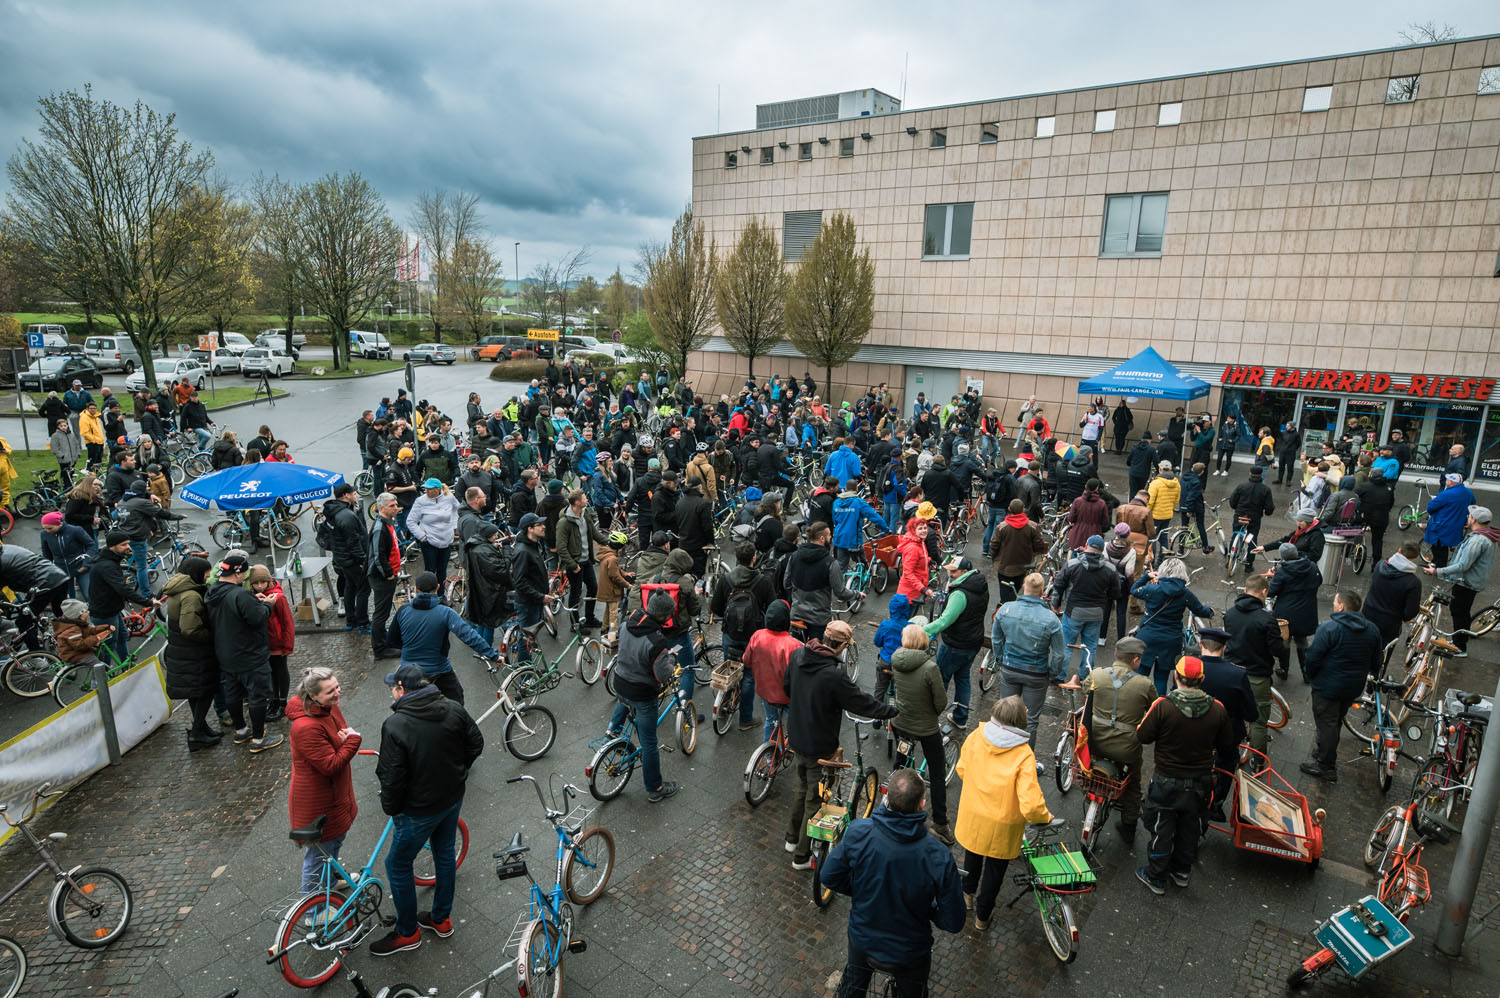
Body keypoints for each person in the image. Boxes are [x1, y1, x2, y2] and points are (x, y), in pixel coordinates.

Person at [369, 665, 483, 957]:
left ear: (401, 689)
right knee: (444, 853)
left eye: (392, 688)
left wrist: (393, 810)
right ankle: (441, 918)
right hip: (452, 798)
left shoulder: (396, 725)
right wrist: (458, 772)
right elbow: (476, 743)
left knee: (397, 864)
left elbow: (391, 777)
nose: (391, 693)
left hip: (418, 810)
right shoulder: (453, 708)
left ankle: (407, 933)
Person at [822, 767, 964, 997]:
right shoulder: (938, 856)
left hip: (863, 939)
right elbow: (953, 921)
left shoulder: (859, 832)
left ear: (886, 798)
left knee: (852, 985)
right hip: (910, 951)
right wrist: (929, 910)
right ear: (921, 805)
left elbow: (828, 876)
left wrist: (861, 889)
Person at [784, 620, 898, 868]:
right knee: (814, 798)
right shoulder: (833, 674)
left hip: (796, 735)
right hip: (818, 744)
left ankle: (791, 839)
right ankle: (801, 856)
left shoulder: (797, 655)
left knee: (801, 788)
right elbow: (860, 702)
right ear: (843, 645)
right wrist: (890, 712)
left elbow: (787, 687)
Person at [1134, 655, 1235, 894]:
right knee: (1190, 827)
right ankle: (1181, 872)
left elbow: (1142, 735)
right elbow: (1227, 745)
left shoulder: (1163, 706)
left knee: (1162, 826)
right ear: (1201, 679)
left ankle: (1156, 876)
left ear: (1176, 676)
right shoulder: (1217, 709)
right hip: (1199, 782)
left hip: (1166, 780)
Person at [952, 695, 1054, 931]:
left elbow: (961, 770)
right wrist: (1044, 817)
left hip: (974, 816)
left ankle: (967, 896)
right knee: (995, 872)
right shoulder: (1023, 753)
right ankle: (982, 917)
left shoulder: (976, 736)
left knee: (972, 856)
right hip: (1003, 824)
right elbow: (1030, 803)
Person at [605, 590, 684, 802]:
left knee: (624, 699)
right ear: (665, 616)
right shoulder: (657, 641)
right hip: (642, 693)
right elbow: (662, 674)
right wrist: (671, 659)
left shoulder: (627, 622)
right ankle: (655, 787)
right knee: (649, 742)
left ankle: (612, 730)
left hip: (620, 682)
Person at [288, 667, 362, 891]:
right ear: (313, 696)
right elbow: (330, 765)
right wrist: (352, 740)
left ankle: (330, 881)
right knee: (318, 855)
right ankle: (313, 911)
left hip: (333, 795)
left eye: (337, 687)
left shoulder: (327, 708)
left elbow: (339, 735)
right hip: (319, 803)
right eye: (330, 691)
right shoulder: (305, 727)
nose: (337, 693)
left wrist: (343, 740)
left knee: (333, 844)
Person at [1299, 591, 1385, 783]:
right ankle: (1323, 750)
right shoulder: (1372, 630)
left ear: (1342, 607)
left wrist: (1311, 675)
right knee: (1335, 719)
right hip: (1353, 687)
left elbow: (1313, 657)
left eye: (1335, 602)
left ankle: (1326, 766)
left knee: (1327, 722)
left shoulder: (1329, 628)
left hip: (1328, 686)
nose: (1334, 605)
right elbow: (1376, 662)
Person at [205, 552, 284, 753]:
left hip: (226, 653)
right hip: (249, 654)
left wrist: (252, 601)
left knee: (233, 693)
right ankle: (258, 739)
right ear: (238, 573)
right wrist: (267, 604)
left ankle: (241, 730)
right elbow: (257, 618)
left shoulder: (213, 592)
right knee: (258, 695)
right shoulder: (240, 594)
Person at [386, 571, 501, 705]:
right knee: (456, 702)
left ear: (415, 589)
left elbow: (391, 640)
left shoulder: (403, 611)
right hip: (438, 670)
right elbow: (469, 636)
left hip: (408, 670)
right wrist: (493, 655)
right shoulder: (446, 612)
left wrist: (408, 647)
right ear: (438, 587)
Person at [1082, 637, 1155, 842]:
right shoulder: (1144, 684)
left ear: (1116, 655)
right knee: (1133, 784)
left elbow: (1085, 690)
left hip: (1095, 743)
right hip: (1127, 750)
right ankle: (1128, 826)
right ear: (1136, 660)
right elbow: (1153, 710)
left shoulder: (1097, 674)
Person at [889, 624, 953, 842]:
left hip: (900, 723)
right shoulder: (930, 668)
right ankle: (940, 823)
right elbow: (941, 702)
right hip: (926, 728)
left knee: (900, 764)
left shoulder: (896, 661)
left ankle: (894, 804)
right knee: (936, 773)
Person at [992, 573, 1066, 750]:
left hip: (1010, 668)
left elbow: (996, 639)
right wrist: (1052, 672)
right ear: (1042, 591)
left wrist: (1000, 660)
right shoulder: (1051, 619)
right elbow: (1059, 653)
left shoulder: (1006, 609)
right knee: (1030, 720)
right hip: (1036, 672)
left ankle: (1002, 754)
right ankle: (1025, 761)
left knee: (1005, 715)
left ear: (1024, 587)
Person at [920, 555, 990, 727]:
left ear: (965, 572)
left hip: (955, 644)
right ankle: (960, 717)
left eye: (954, 571)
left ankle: (930, 719)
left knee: (940, 681)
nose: (950, 574)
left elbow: (945, 620)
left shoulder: (960, 593)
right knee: (963, 678)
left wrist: (922, 630)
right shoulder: (979, 584)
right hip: (973, 642)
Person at [1195, 627, 1258, 817]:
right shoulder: (1236, 674)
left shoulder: (1189, 667)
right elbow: (1251, 714)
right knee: (1228, 762)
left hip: (1192, 731)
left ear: (1200, 645)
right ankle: (1217, 801)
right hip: (1225, 734)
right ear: (1224, 648)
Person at [1223, 574, 1286, 755]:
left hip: (1232, 672)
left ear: (1245, 590)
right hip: (1257, 677)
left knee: (1230, 714)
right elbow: (1277, 650)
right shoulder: (1266, 619)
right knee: (1258, 721)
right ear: (1264, 592)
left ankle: (1227, 752)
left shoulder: (1230, 614)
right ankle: (1258, 763)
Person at [161, 556, 220, 751]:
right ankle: (196, 734)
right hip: (194, 652)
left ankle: (202, 728)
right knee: (204, 691)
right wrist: (212, 637)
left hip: (182, 650)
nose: (208, 576)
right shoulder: (191, 596)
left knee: (195, 692)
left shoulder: (177, 589)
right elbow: (190, 628)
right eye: (206, 573)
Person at [1131, 557, 1214, 695]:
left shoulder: (1152, 590)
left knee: (1140, 675)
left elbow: (1134, 590)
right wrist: (1210, 612)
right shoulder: (1185, 594)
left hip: (1147, 638)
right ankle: (1159, 706)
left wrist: (1146, 576)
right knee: (1161, 678)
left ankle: (1137, 703)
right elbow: (1200, 610)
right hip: (1170, 640)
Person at [1425, 505, 1498, 653]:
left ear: (1474, 519)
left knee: (1459, 612)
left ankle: (1459, 647)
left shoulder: (1477, 540)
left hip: (1466, 583)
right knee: (1461, 611)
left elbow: (1463, 565)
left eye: (1469, 516)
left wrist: (1437, 571)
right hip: (1472, 581)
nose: (1467, 517)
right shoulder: (1486, 535)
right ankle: (1459, 641)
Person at [1051, 535, 1122, 681]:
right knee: (1090, 647)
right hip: (1096, 613)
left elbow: (1058, 586)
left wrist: (1056, 604)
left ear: (1086, 545)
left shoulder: (1072, 564)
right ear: (1102, 550)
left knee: (1067, 645)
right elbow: (1115, 593)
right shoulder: (1110, 569)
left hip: (1073, 612)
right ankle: (1085, 677)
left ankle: (1059, 675)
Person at [86, 530, 154, 664]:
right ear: (112, 547)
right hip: (104, 613)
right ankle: (104, 676)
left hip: (113, 609)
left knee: (122, 636)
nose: (128, 547)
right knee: (109, 646)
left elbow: (114, 586)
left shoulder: (110, 559)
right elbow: (122, 588)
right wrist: (148, 602)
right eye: (123, 545)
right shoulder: (107, 565)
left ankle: (126, 664)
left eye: (128, 543)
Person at [787, 521, 860, 643]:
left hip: (797, 615)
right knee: (819, 653)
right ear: (822, 538)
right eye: (829, 535)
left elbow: (787, 583)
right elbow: (840, 592)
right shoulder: (831, 563)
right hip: (818, 618)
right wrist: (857, 594)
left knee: (796, 650)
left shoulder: (794, 556)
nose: (831, 537)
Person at [741, 598, 800, 742]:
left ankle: (769, 755)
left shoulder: (757, 636)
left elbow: (746, 660)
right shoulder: (795, 645)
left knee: (771, 720)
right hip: (787, 696)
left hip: (765, 692)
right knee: (796, 724)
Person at [1267, 542, 1322, 681]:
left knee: (1284, 641)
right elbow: (1318, 581)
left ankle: (1284, 670)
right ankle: (1306, 673)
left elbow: (1272, 592)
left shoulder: (1283, 571)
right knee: (1302, 642)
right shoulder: (1312, 567)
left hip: (1286, 611)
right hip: (1306, 610)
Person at [248, 564, 296, 722]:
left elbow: (287, 622)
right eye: (256, 583)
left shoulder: (278, 597)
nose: (259, 586)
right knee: (270, 675)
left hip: (278, 644)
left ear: (268, 581)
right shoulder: (251, 596)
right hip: (264, 644)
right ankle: (274, 700)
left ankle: (282, 703)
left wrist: (287, 646)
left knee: (281, 672)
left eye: (263, 582)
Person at [556, 489, 609, 631]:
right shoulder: (564, 522)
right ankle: (575, 625)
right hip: (575, 564)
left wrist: (608, 542)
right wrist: (573, 565)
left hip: (586, 561)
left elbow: (594, 533)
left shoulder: (585, 514)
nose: (587, 500)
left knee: (593, 588)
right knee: (575, 593)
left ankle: (589, 618)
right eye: (585, 499)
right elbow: (561, 547)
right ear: (577, 503)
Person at [323, 484, 370, 632]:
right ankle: (363, 623)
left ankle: (351, 620)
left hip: (342, 558)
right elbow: (353, 541)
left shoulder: (334, 511)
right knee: (363, 589)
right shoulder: (347, 516)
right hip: (352, 560)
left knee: (350, 587)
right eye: (354, 493)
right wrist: (363, 560)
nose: (356, 495)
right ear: (346, 495)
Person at [1362, 539, 1423, 647]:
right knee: (1381, 657)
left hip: (1367, 615)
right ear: (1415, 558)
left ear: (1399, 550)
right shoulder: (1413, 583)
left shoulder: (1380, 565)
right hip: (1389, 624)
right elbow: (1410, 613)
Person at [367, 493, 404, 660]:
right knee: (381, 614)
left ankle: (384, 641)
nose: (396, 507)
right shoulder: (379, 528)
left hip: (388, 575)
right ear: (381, 508)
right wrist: (388, 574)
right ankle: (380, 649)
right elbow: (377, 556)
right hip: (382, 578)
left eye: (396, 504)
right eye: (392, 505)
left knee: (384, 611)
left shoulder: (388, 523)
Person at [989, 498, 1047, 602]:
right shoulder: (1032, 526)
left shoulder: (1002, 527)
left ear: (1009, 509)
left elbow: (994, 545)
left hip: (1004, 567)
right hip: (1023, 567)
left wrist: (995, 559)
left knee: (1005, 596)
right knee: (1016, 590)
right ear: (1023, 510)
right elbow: (1039, 545)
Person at [407, 479, 459, 580]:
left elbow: (456, 509)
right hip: (429, 541)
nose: (426, 491)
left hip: (446, 540)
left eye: (429, 489)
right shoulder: (420, 501)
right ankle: (430, 594)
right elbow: (410, 521)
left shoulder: (448, 497)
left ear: (438, 489)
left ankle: (441, 594)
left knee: (442, 570)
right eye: (425, 489)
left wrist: (454, 526)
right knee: (430, 570)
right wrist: (422, 537)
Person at [1228, 465, 1276, 571]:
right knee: (1252, 538)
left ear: (1250, 474)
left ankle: (1230, 559)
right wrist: (1267, 511)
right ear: (1260, 475)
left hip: (1240, 515)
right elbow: (1269, 507)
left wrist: (1237, 508)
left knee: (1236, 534)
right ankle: (1249, 564)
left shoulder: (1241, 486)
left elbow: (1232, 501)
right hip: (1254, 517)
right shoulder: (1265, 489)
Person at [40, 511, 93, 600]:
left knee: (89, 595)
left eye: (50, 528)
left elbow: (91, 545)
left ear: (59, 524)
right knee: (68, 600)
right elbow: (46, 552)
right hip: (61, 570)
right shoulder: (44, 534)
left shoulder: (75, 530)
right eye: (44, 528)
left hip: (81, 567)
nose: (47, 531)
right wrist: (48, 568)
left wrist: (86, 563)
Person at [1355, 466, 1395, 561]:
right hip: (1382, 517)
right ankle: (1376, 562)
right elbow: (1391, 502)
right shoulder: (1389, 487)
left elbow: (1354, 497)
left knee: (1356, 531)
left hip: (1365, 515)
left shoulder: (1364, 486)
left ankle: (1353, 551)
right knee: (1377, 540)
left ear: (1371, 475)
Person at [1147, 461, 1180, 541]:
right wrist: (1170, 509)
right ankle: (1164, 553)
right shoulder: (1176, 483)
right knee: (1164, 537)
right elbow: (1176, 500)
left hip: (1155, 516)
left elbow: (1150, 501)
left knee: (1152, 538)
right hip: (1168, 515)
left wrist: (1147, 511)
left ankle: (1152, 553)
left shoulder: (1155, 483)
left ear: (1160, 470)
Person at [1127, 431, 1157, 498]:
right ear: (1149, 440)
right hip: (1144, 473)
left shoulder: (1134, 448)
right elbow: (1156, 461)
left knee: (1132, 491)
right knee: (1141, 491)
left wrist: (1132, 465)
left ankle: (1131, 505)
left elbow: (1128, 460)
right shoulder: (1151, 449)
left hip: (1133, 472)